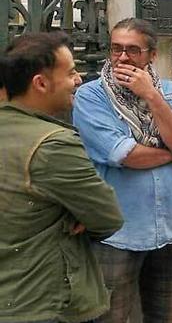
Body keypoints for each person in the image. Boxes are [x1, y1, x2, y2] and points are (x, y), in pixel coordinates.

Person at [73, 19, 172, 323]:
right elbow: (125, 154)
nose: (123, 58)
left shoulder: (171, 93)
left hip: (170, 228)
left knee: (167, 316)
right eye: (116, 49)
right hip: (118, 233)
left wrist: (152, 97)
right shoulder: (91, 97)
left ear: (152, 55)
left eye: (133, 50)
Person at [1, 32, 124, 323]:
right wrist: (74, 216)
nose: (79, 79)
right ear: (41, 83)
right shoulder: (54, 143)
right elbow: (107, 217)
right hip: (45, 301)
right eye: (70, 73)